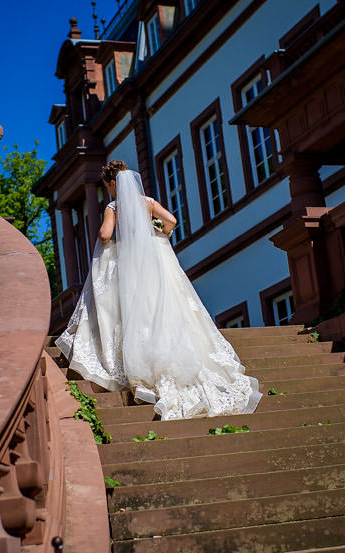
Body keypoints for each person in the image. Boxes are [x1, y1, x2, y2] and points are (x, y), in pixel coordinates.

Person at [56, 160, 261, 420]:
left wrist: (110, 236)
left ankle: (139, 364)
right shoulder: (148, 202)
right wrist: (158, 232)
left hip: (130, 262)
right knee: (165, 303)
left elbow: (106, 236)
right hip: (155, 259)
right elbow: (172, 220)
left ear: (111, 183)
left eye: (108, 186)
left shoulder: (114, 206)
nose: (109, 190)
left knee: (134, 308)